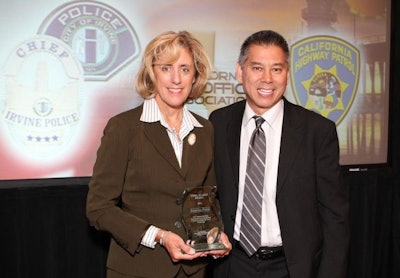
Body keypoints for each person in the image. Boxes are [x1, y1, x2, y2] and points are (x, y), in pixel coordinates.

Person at [86, 31, 231, 278]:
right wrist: (160, 236)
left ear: (195, 75)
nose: (176, 79)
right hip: (137, 269)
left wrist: (215, 233)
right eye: (166, 68)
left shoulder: (205, 129)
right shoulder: (124, 128)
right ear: (152, 73)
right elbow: (98, 209)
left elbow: (207, 199)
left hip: (192, 270)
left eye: (185, 69)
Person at [208, 30, 349, 278]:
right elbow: (211, 195)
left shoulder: (317, 131)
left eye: (276, 69)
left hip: (291, 267)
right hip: (231, 264)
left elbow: (335, 216)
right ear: (240, 72)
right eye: (257, 68)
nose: (267, 79)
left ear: (287, 73)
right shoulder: (219, 123)